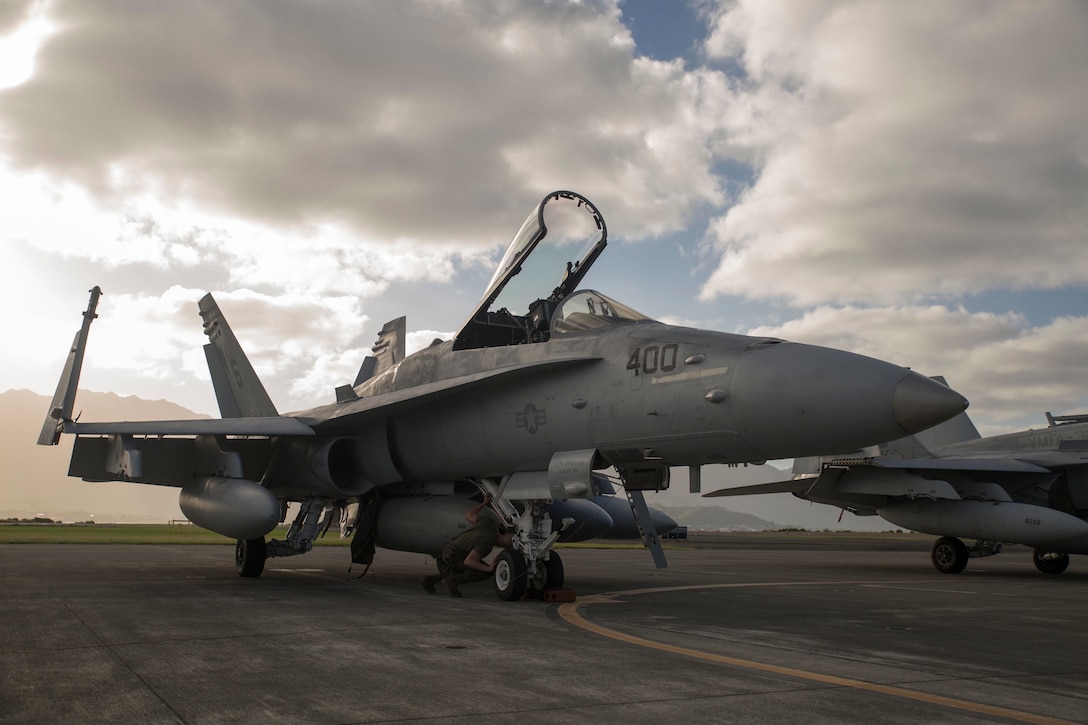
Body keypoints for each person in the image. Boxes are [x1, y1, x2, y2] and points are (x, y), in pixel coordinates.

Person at [421, 493, 515, 597]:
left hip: (445, 552)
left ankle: (431, 580)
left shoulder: (488, 523)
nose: (513, 540)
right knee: (484, 572)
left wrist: (483, 503)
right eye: (512, 540)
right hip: (454, 555)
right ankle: (452, 581)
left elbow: (469, 515)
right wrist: (489, 569)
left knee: (456, 568)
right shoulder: (487, 543)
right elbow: (469, 561)